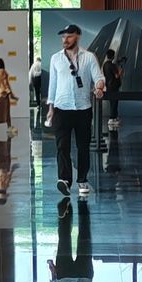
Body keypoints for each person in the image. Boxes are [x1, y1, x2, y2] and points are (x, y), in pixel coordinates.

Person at [43, 23, 104, 198]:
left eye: (69, 36)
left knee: (83, 146)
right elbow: (53, 85)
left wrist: (99, 87)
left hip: (83, 108)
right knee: (62, 146)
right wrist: (51, 108)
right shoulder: (56, 58)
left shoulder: (89, 57)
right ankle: (64, 180)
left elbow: (98, 77)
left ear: (78, 36)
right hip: (61, 108)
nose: (65, 39)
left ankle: (82, 179)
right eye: (63, 36)